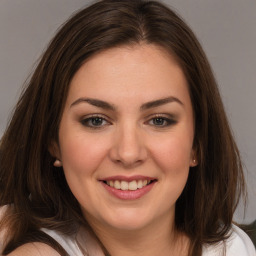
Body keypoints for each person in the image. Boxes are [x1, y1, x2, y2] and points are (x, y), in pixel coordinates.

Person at [0, 0, 255, 255]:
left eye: (159, 120)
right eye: (96, 120)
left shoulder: (234, 246)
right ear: (52, 141)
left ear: (197, 142)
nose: (129, 153)